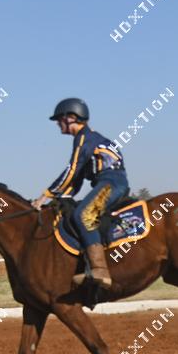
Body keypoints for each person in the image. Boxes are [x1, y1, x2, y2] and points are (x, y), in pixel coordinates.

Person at [31, 98, 129, 289]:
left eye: (59, 119)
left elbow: (72, 170)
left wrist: (46, 195)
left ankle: (100, 270)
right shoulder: (90, 139)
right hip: (109, 182)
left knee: (84, 215)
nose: (58, 124)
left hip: (111, 183)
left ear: (71, 118)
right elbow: (77, 178)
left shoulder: (84, 138)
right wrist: (60, 197)